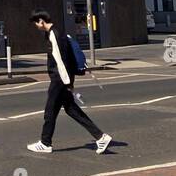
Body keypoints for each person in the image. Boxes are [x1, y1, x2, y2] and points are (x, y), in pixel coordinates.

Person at [27, 9, 112, 155]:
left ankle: (45, 143)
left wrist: (67, 82)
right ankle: (100, 136)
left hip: (59, 79)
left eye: (36, 23)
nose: (36, 26)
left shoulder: (55, 34)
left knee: (49, 112)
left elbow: (60, 60)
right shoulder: (56, 32)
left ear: (41, 20)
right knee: (71, 109)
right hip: (63, 78)